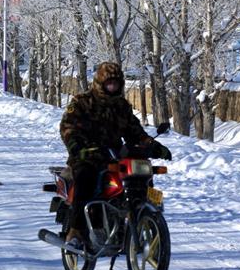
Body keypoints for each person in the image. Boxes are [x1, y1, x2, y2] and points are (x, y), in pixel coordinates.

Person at [59, 62, 171, 245]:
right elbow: (68, 127)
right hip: (87, 156)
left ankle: (142, 215)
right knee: (85, 178)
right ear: (100, 82)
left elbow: (134, 131)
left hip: (114, 156)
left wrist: (152, 145)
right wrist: (77, 147)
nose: (113, 87)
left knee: (141, 176)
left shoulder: (122, 106)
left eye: (116, 83)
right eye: (109, 83)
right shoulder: (83, 102)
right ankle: (76, 231)